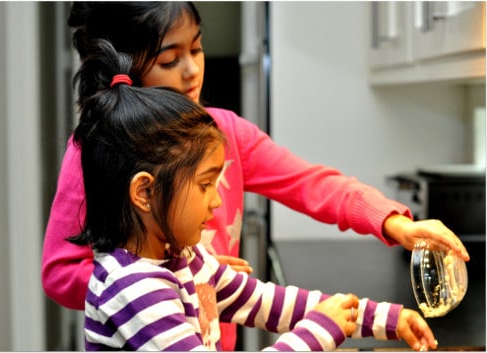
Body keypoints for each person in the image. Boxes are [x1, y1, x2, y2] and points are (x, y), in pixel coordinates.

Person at [41, 2, 469, 350]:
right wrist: (176, 282)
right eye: (172, 59)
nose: (192, 70)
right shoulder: (98, 155)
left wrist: (394, 229)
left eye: (198, 49)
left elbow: (309, 188)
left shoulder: (222, 134)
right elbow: (61, 273)